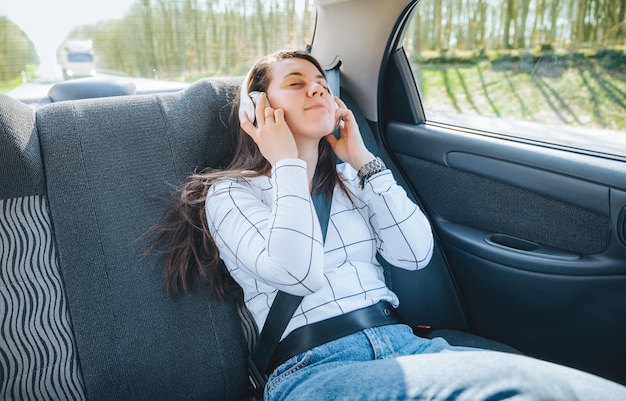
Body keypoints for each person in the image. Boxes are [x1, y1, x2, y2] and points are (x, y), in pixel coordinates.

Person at [149, 50, 626, 400]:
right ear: (257, 107)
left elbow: (415, 254)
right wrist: (286, 162)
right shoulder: (230, 193)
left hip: (406, 346)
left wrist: (362, 160)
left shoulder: (351, 181)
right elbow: (297, 274)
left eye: (320, 81)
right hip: (314, 370)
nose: (317, 87)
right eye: (295, 83)